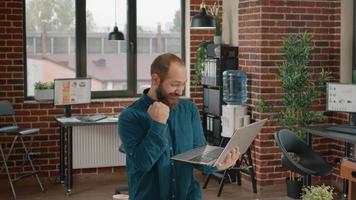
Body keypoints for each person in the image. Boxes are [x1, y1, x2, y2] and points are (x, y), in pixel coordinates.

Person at [118, 53, 240, 200]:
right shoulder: (130, 116)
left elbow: (199, 153)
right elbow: (142, 163)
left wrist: (219, 164)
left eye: (183, 84)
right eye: (175, 84)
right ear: (155, 79)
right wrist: (158, 124)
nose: (180, 91)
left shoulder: (189, 109)